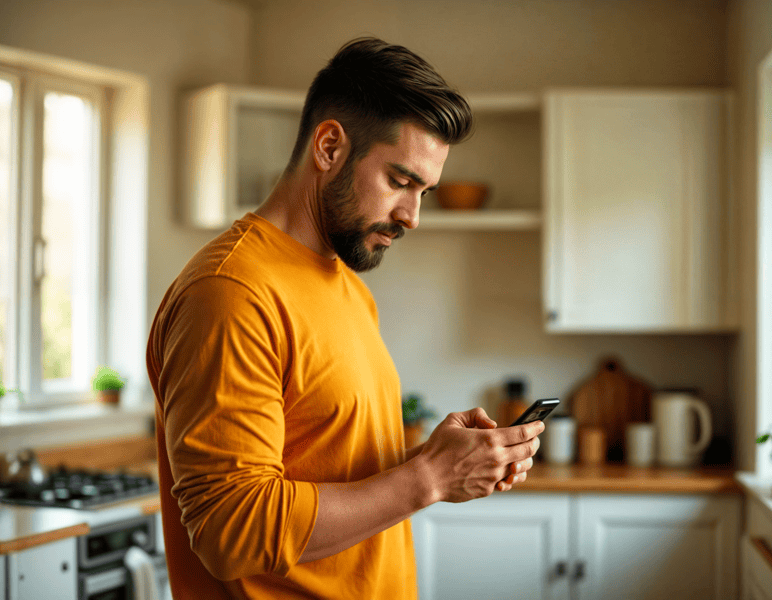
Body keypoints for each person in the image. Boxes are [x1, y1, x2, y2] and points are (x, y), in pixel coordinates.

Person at [146, 37, 544, 600]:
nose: (412, 215)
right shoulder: (231, 292)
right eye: (400, 182)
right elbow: (230, 531)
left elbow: (325, 467)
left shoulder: (348, 287)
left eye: (424, 191)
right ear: (329, 146)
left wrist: (439, 461)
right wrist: (428, 479)